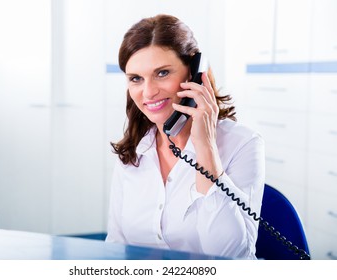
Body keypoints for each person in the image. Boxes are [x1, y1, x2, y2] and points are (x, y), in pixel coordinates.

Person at [106, 14, 265, 259]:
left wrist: (205, 147)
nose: (148, 92)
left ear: (194, 74)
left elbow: (231, 255)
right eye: (136, 79)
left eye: (162, 73)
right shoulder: (133, 150)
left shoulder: (243, 144)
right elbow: (116, 244)